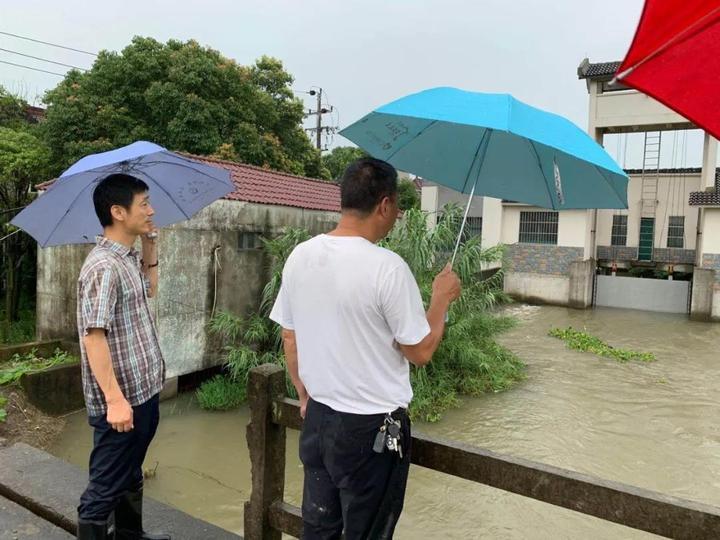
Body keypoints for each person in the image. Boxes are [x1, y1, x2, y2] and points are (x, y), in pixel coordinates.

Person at [269, 158, 462, 539]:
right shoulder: (388, 268)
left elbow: (289, 337)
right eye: (398, 207)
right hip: (371, 430)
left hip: (320, 420)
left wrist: (305, 394)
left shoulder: (301, 255)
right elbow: (420, 351)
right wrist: (440, 301)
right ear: (385, 205)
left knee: (319, 529)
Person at [75, 173, 169, 540]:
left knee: (130, 471)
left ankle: (131, 537)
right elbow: (93, 337)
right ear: (118, 211)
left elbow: (152, 290)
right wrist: (114, 400)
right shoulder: (103, 267)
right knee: (102, 492)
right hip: (122, 402)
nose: (151, 209)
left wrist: (150, 245)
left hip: (143, 391)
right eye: (143, 203)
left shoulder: (127, 257)